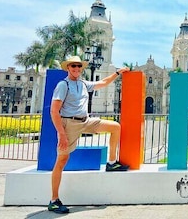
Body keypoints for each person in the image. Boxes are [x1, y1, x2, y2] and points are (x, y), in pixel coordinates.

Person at [48, 55, 130, 214]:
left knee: (115, 127)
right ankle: (54, 200)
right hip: (69, 124)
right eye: (73, 66)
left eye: (79, 66)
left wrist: (118, 73)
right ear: (68, 68)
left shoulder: (84, 84)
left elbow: (104, 82)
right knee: (62, 160)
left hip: (85, 121)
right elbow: (54, 110)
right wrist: (62, 134)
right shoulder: (63, 85)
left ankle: (112, 162)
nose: (77, 69)